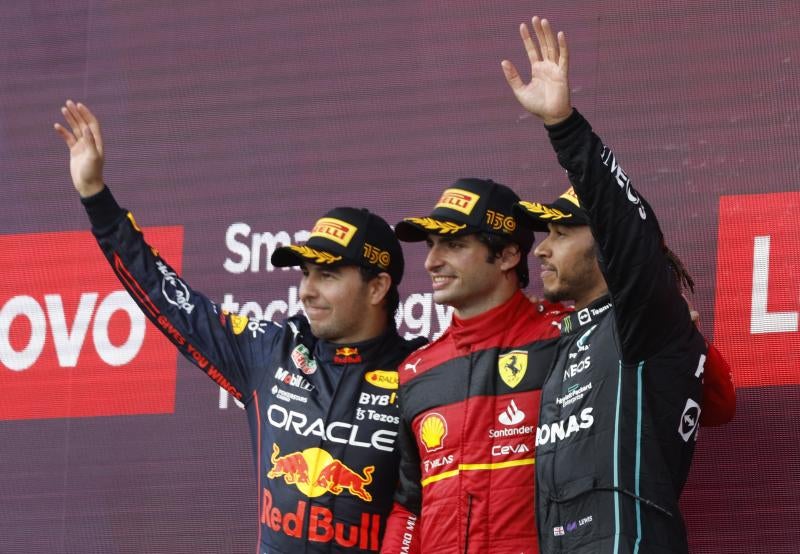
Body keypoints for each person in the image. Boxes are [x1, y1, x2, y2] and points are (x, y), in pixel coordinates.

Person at [54, 101, 425, 554]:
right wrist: (96, 198)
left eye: (326, 275)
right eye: (304, 274)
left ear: (377, 287)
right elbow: (170, 300)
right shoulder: (272, 353)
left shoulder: (422, 373)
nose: (307, 291)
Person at [503, 16, 716, 552]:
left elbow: (629, 230)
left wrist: (565, 126)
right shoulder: (572, 335)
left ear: (606, 243)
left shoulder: (644, 318)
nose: (542, 249)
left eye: (559, 232)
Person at [379, 178, 566, 553]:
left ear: (508, 255)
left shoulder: (566, 337)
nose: (432, 261)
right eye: (431, 246)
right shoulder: (416, 370)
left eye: (455, 245)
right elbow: (410, 505)